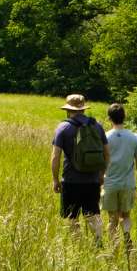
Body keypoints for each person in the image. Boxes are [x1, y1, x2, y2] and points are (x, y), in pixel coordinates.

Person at [51, 94, 110, 244]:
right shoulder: (97, 126)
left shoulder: (63, 128)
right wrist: (102, 174)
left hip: (71, 180)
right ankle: (98, 243)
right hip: (92, 180)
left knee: (72, 217)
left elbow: (55, 157)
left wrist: (55, 179)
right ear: (83, 109)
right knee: (93, 214)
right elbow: (107, 154)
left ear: (68, 109)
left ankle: (78, 247)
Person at [102, 103, 137, 250]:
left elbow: (101, 161)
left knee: (112, 219)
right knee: (125, 216)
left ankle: (114, 247)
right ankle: (126, 233)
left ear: (109, 118)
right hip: (128, 183)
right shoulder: (135, 137)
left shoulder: (105, 137)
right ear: (124, 117)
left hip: (109, 183)